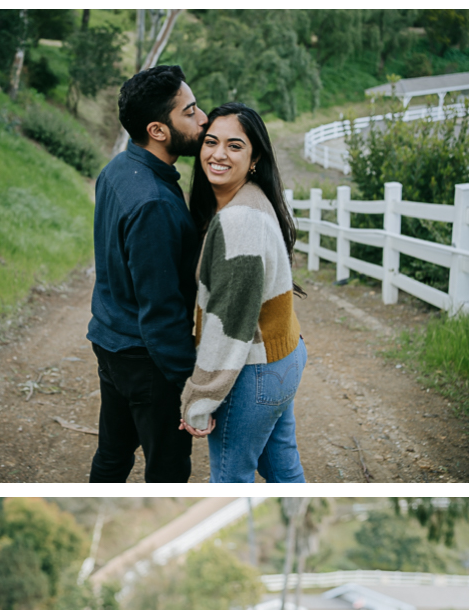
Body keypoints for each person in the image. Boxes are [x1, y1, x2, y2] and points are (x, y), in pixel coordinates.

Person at [87, 66, 208, 483]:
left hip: (111, 343)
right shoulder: (153, 200)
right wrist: (190, 387)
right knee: (168, 469)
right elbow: (161, 310)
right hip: (147, 361)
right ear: (158, 130)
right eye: (190, 112)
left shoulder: (119, 168)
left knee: (113, 454)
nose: (204, 118)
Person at [179, 103, 307, 483]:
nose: (218, 154)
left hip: (255, 371)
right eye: (211, 142)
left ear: (255, 158)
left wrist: (199, 399)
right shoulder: (250, 199)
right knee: (283, 471)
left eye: (235, 146)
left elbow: (229, 326)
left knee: (229, 481)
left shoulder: (238, 221)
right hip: (282, 357)